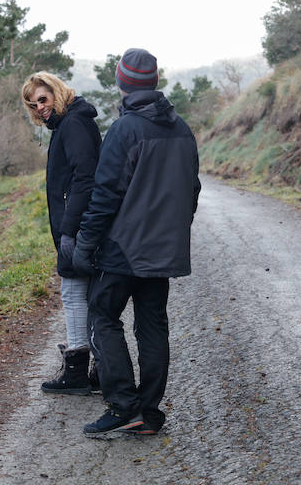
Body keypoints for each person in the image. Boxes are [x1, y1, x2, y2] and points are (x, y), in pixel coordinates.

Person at [72, 48, 201, 437]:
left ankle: (123, 405)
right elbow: (192, 190)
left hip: (123, 249)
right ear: (155, 82)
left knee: (102, 316)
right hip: (162, 250)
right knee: (152, 326)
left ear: (122, 83)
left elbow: (105, 194)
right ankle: (148, 412)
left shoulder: (125, 129)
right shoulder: (182, 129)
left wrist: (84, 243)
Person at [21, 72, 101, 395]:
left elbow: (85, 177)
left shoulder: (73, 124)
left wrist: (69, 230)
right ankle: (95, 369)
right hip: (79, 227)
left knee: (73, 292)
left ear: (56, 92)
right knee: (84, 294)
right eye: (33, 104)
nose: (40, 107)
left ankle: (77, 372)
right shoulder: (68, 124)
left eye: (43, 98)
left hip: (80, 229)